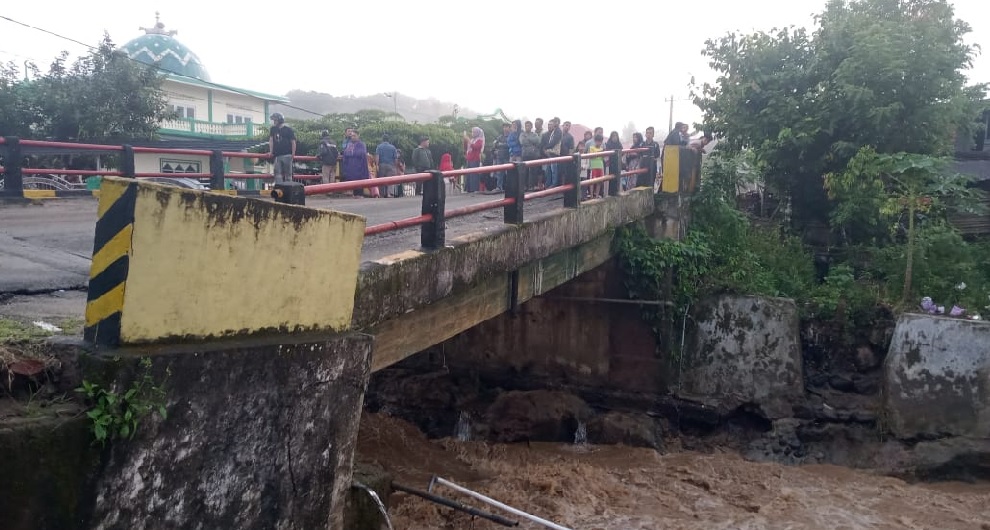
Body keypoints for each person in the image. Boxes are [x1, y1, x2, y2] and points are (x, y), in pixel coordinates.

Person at [268, 113, 296, 183]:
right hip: (277, 155)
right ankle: (279, 190)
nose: (274, 122)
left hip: (287, 155)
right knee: (277, 174)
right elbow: (271, 140)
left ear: (280, 120)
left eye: (275, 120)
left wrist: (293, 154)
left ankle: (288, 191)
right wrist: (271, 152)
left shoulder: (288, 130)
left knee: (288, 175)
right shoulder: (273, 129)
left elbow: (293, 142)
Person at [341, 129, 370, 197]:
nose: (353, 137)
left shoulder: (361, 144)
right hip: (350, 167)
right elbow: (345, 153)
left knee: (359, 183)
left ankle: (359, 195)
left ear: (358, 136)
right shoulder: (349, 144)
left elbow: (361, 153)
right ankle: (354, 195)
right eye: (352, 136)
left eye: (354, 136)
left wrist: (351, 153)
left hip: (359, 167)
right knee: (352, 182)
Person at [375, 133, 399, 197]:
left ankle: (382, 194)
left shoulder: (379, 146)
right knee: (390, 180)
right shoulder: (393, 147)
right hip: (391, 165)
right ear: (388, 140)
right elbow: (395, 158)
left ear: (382, 139)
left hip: (382, 165)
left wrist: (377, 165)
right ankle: (389, 194)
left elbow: (377, 156)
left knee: (381, 180)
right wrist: (395, 166)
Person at [463, 127, 485, 192]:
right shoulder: (472, 140)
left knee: (474, 175)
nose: (473, 133)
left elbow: (475, 147)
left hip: (475, 159)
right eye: (472, 132)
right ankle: (468, 189)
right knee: (469, 175)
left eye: (474, 132)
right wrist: (465, 140)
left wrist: (468, 140)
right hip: (469, 159)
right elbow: (466, 148)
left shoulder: (480, 140)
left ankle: (474, 189)